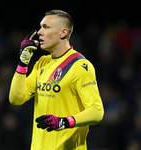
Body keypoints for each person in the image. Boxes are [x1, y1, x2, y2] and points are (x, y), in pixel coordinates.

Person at [9, 9, 104, 150]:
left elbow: (97, 111)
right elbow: (16, 99)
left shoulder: (81, 66)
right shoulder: (41, 62)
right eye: (41, 26)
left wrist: (64, 122)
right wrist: (23, 63)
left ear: (63, 33)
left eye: (46, 27)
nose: (39, 32)